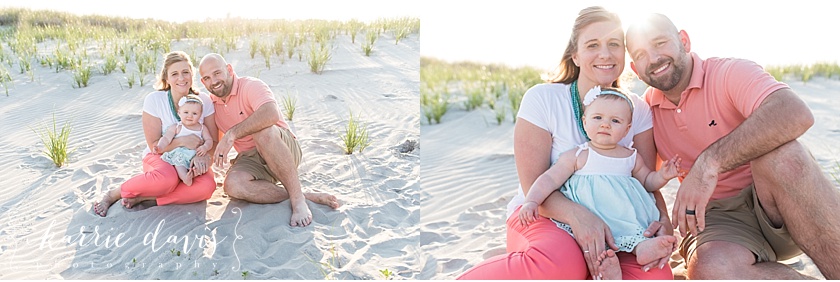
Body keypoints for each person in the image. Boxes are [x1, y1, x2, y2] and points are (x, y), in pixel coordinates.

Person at [458, 6, 674, 280]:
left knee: (656, 276)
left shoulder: (638, 110)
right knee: (562, 266)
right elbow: (532, 184)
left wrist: (664, 222)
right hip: (544, 215)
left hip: (620, 227)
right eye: (593, 44)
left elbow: (646, 182)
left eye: (614, 44)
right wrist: (580, 217)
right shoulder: (543, 99)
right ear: (576, 54)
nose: (605, 54)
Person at [625, 13, 840, 279]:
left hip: (781, 203)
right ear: (635, 69)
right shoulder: (646, 110)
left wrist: (708, 164)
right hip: (719, 220)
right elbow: (641, 178)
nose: (654, 58)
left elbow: (795, 112)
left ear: (684, 40)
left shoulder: (729, 73)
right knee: (711, 268)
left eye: (660, 43)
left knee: (784, 155)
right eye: (641, 54)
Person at [518, 88, 681, 279]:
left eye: (615, 121)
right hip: (592, 215)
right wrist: (531, 201)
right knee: (591, 244)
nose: (605, 125)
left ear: (627, 129)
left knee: (633, 230)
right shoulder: (578, 155)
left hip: (621, 215)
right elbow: (549, 179)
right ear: (585, 121)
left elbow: (647, 182)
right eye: (598, 118)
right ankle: (607, 265)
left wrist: (663, 175)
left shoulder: (631, 157)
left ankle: (640, 249)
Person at [197, 53, 340, 227]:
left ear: (229, 70)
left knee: (262, 133)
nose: (214, 81)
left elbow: (271, 114)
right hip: (251, 159)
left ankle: (298, 201)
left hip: (280, 146)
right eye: (207, 78)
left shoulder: (251, 86)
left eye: (217, 73)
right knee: (232, 185)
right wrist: (199, 159)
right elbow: (213, 145)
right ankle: (304, 194)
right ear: (203, 82)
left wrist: (232, 134)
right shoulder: (211, 106)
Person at [94, 51, 218, 217]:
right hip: (161, 158)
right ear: (166, 77)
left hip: (191, 160)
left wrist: (203, 157)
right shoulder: (155, 100)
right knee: (167, 180)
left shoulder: (204, 100)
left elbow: (214, 141)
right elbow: (155, 146)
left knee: (207, 187)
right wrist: (182, 141)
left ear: (192, 74)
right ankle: (115, 193)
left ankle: (149, 198)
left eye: (185, 72)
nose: (181, 78)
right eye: (174, 74)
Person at [154, 94, 214, 186]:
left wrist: (205, 147)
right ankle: (185, 177)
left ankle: (194, 173)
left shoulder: (202, 128)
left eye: (194, 113)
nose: (190, 116)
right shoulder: (177, 127)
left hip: (196, 154)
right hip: (180, 153)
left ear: (200, 115)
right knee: (179, 163)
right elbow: (166, 138)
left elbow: (209, 140)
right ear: (179, 113)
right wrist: (160, 147)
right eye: (186, 112)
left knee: (200, 166)